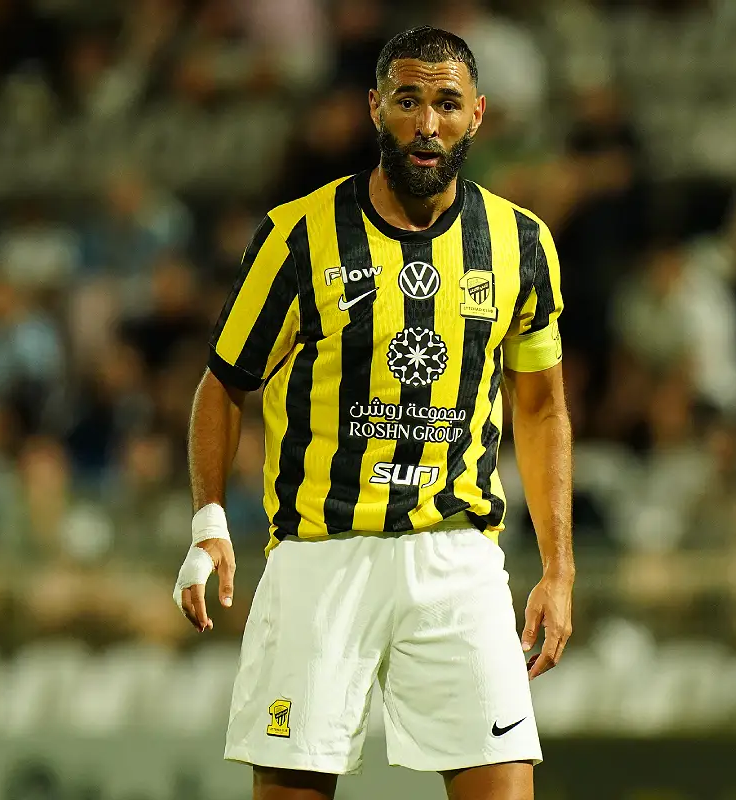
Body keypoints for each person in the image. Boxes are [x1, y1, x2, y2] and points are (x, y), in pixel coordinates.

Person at [172, 26, 574, 800]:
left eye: (448, 103)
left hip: (456, 557)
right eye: (409, 100)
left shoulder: (522, 243)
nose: (428, 124)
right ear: (374, 108)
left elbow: (543, 406)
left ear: (478, 115)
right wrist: (209, 519)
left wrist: (558, 568)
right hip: (322, 556)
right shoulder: (298, 236)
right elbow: (223, 381)